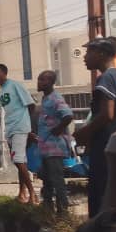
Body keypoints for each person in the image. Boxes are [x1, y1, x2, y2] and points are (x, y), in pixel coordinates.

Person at [73, 38, 116, 216]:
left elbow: (107, 115)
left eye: (88, 53)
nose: (85, 57)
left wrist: (83, 133)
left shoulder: (106, 78)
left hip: (107, 147)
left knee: (102, 196)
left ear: (101, 54)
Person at [0, 63, 36, 203]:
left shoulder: (15, 85)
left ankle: (33, 193)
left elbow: (31, 105)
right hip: (10, 128)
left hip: (20, 128)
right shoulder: (2, 90)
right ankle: (22, 192)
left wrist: (28, 127)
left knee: (18, 160)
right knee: (20, 161)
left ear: (5, 73)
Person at [35, 70, 73, 214]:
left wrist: (58, 129)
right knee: (47, 180)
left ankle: (63, 212)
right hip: (45, 147)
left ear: (51, 82)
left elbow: (68, 116)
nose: (39, 83)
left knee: (57, 180)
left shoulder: (56, 98)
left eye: (43, 80)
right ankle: (48, 209)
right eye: (39, 79)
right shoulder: (45, 99)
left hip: (55, 147)